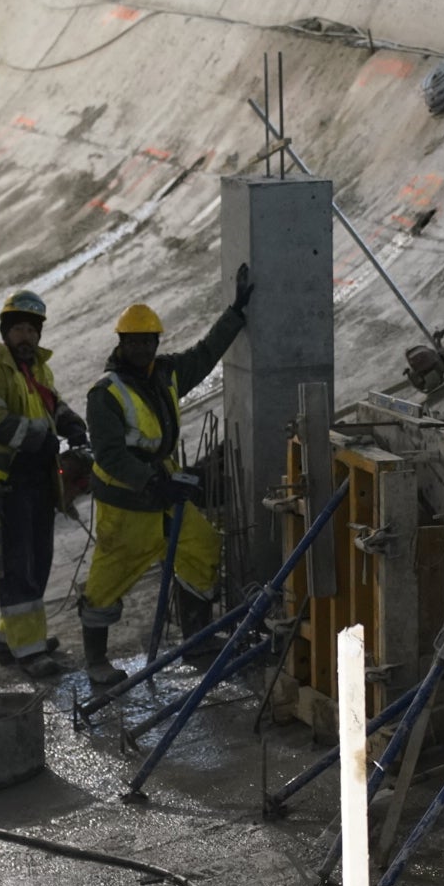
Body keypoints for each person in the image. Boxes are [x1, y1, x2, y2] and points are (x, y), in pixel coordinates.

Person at [78, 265, 256, 686]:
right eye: (134, 342)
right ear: (121, 345)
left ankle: (195, 640)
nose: (141, 349)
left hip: (164, 497)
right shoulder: (105, 394)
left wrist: (236, 311)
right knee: (105, 584)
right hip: (126, 508)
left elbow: (205, 353)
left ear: (157, 343)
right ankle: (97, 664)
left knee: (202, 548)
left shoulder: (166, 374)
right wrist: (153, 481)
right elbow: (109, 455)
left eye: (148, 341)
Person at [0, 289, 88, 678]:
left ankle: (12, 641)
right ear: (5, 332)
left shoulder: (37, 370)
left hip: (37, 482)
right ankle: (29, 653)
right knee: (17, 571)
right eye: (18, 329)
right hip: (3, 489)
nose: (26, 337)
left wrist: (71, 422)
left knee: (37, 563)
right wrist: (40, 436)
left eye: (32, 329)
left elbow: (52, 403)